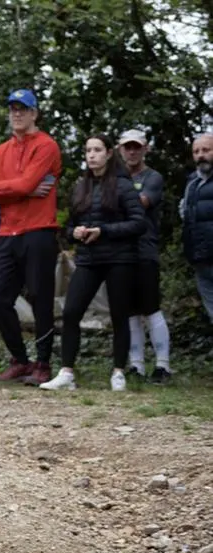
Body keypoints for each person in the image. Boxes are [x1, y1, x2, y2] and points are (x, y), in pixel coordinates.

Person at [40, 134, 146, 391]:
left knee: (120, 315)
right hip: (88, 259)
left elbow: (139, 223)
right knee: (70, 312)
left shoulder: (123, 185)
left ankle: (118, 372)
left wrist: (104, 231)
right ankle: (66, 373)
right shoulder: (80, 187)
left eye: (97, 150)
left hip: (120, 258)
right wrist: (73, 233)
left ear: (109, 153)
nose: (92, 155)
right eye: (88, 150)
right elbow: (69, 225)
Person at [0, 89, 62, 385]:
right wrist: (17, 189)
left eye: (23, 109)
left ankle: (43, 363)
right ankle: (20, 359)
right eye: (13, 108)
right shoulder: (2, 150)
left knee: (41, 297)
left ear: (34, 113)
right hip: (7, 233)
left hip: (39, 230)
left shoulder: (47, 146)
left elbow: (12, 185)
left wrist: (1, 188)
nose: (17, 113)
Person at [116, 130, 172, 384]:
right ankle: (136, 366)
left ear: (145, 149)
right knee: (129, 311)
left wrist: (113, 201)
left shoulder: (153, 177)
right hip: (120, 252)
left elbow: (142, 203)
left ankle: (163, 366)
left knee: (151, 308)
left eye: (136, 147)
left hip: (145, 250)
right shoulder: (115, 177)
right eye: (127, 147)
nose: (132, 151)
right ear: (119, 150)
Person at [180, 134, 213, 324]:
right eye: (196, 151)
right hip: (200, 259)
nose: (201, 155)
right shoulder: (191, 183)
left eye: (206, 150)